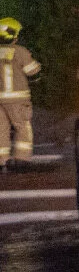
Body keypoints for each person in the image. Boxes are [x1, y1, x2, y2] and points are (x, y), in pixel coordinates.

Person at [0, 19, 39, 168]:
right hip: (18, 100)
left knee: (1, 129)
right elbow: (33, 72)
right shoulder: (20, 51)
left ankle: (2, 159)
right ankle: (21, 159)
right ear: (13, 35)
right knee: (22, 127)